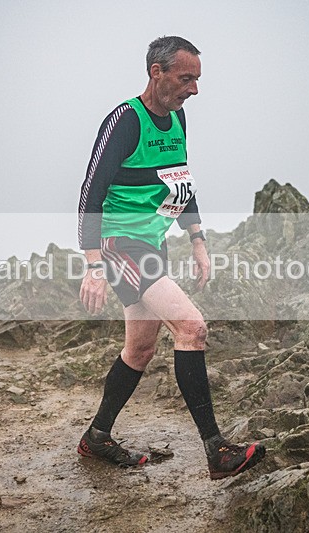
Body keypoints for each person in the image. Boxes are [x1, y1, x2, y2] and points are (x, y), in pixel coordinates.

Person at [75, 36, 265, 480]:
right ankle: (217, 451)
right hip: (119, 247)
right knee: (191, 326)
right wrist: (92, 265)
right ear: (156, 73)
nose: (194, 90)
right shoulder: (125, 120)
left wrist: (197, 238)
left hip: (152, 248)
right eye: (186, 79)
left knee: (139, 350)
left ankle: (97, 437)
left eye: (197, 80)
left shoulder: (178, 118)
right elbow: (90, 194)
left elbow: (180, 180)